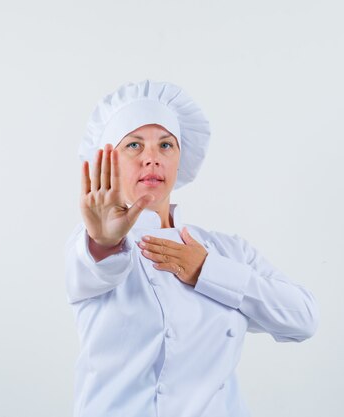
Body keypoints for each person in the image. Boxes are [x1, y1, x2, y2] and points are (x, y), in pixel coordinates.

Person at [64, 79, 319, 417]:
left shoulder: (228, 251)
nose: (152, 158)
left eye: (166, 145)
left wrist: (207, 270)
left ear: (181, 158)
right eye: (134, 146)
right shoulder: (96, 245)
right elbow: (96, 268)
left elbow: (302, 320)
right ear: (109, 160)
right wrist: (105, 242)